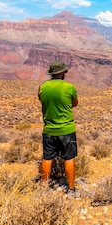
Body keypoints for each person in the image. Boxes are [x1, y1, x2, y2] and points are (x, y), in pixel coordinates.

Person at [38, 61, 79, 195]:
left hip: (49, 129)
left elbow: (43, 101)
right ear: (61, 73)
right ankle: (71, 189)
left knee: (47, 158)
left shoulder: (42, 87)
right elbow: (74, 103)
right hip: (67, 129)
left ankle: (44, 188)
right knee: (69, 158)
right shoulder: (69, 87)